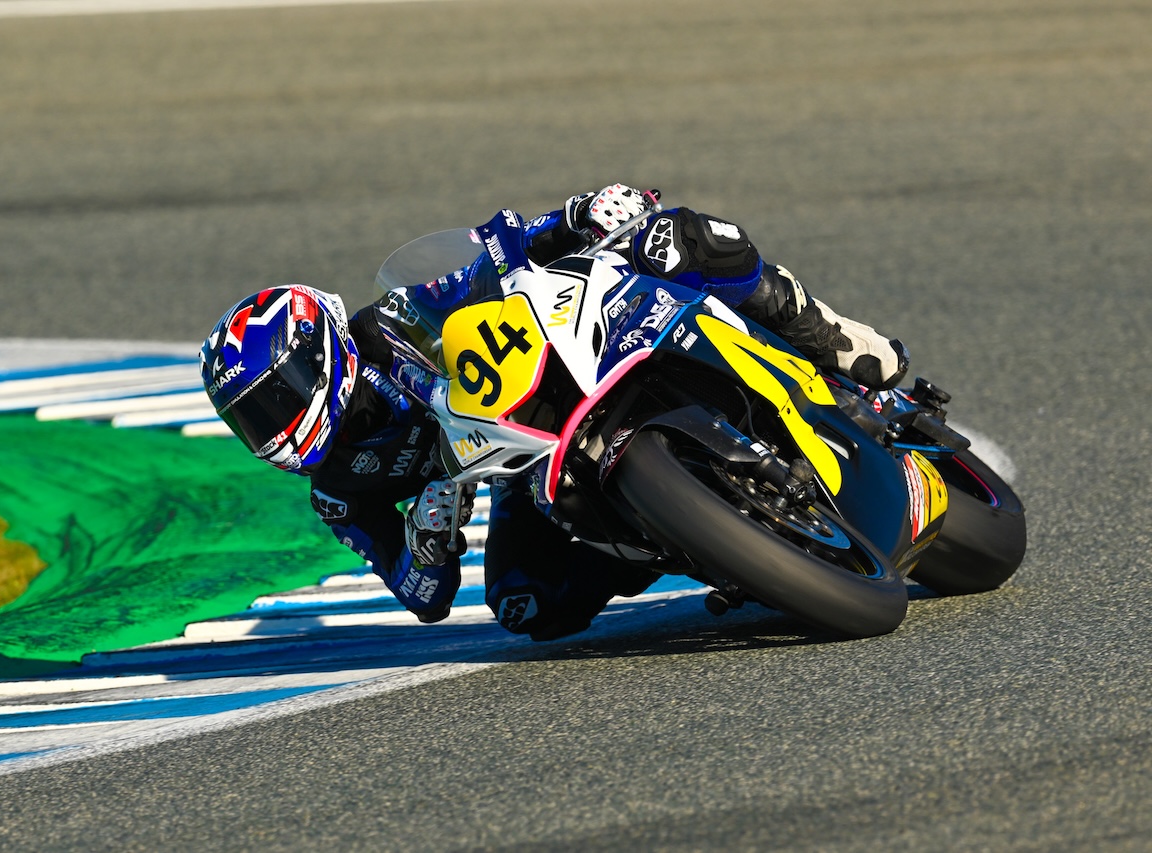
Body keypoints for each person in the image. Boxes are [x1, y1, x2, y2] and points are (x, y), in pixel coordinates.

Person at [199, 185, 909, 641]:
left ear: (318, 349)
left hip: (569, 356)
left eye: (274, 397)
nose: (271, 424)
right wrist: (428, 538)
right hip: (526, 465)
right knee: (522, 604)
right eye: (250, 419)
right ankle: (704, 545)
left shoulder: (392, 322)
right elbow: (422, 596)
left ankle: (836, 339)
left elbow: (487, 256)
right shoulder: (336, 488)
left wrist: (575, 215)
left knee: (680, 238)